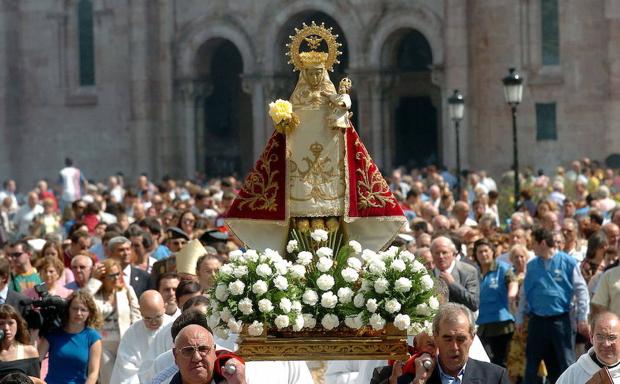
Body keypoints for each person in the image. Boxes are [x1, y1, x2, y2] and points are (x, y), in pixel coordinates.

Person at [516, 227, 590, 384]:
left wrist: (582, 317)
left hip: (560, 321)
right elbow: (524, 293)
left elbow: (581, 290)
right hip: (537, 320)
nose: (531, 247)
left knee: (565, 362)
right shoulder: (532, 265)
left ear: (542, 243)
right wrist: (519, 318)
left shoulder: (568, 262)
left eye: (533, 243)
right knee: (532, 364)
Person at [397, 303, 509, 383]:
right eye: (447, 338)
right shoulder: (412, 378)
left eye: (461, 339)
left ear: (472, 338)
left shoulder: (495, 377)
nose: (454, 347)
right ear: (436, 337)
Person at [88, 258, 140, 383]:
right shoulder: (95, 296)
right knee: (109, 380)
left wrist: (135, 337)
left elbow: (136, 315)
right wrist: (93, 280)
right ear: (103, 278)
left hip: (125, 342)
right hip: (103, 344)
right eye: (111, 276)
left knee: (128, 380)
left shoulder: (126, 290)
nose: (116, 278)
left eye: (118, 274)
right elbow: (82, 300)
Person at [38, 290, 103, 384]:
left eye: (83, 310)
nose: (79, 313)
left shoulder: (93, 337)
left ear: (90, 313)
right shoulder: (53, 333)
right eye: (75, 308)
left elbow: (93, 373)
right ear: (68, 309)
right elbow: (36, 360)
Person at [110, 290, 173, 383]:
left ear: (165, 308)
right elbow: (126, 368)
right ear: (140, 312)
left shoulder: (173, 327)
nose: (153, 322)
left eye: (158, 317)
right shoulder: (132, 333)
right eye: (148, 318)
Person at [473, 239, 517, 368]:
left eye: (486, 251)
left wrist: (511, 294)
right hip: (482, 325)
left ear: (492, 252)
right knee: (486, 361)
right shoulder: (474, 272)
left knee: (502, 361)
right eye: (480, 252)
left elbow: (512, 281)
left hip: (502, 324)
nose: (483, 254)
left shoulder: (502, 268)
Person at [557, 312, 620, 383]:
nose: (606, 344)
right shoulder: (574, 373)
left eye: (611, 337)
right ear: (591, 337)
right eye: (600, 337)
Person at [171, 324, 246, 384]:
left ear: (214, 351)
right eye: (188, 350)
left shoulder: (239, 378)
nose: (197, 357)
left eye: (203, 349)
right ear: (175, 355)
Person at [430, 236, 479, 312]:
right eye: (437, 253)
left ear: (454, 254)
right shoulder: (428, 275)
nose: (441, 256)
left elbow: (474, 303)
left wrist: (453, 284)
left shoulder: (468, 271)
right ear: (432, 254)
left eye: (444, 252)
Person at [0, 305, 40, 379]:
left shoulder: (29, 351)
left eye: (11, 323)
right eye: (1, 323)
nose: (6, 328)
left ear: (18, 325)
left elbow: (36, 381)